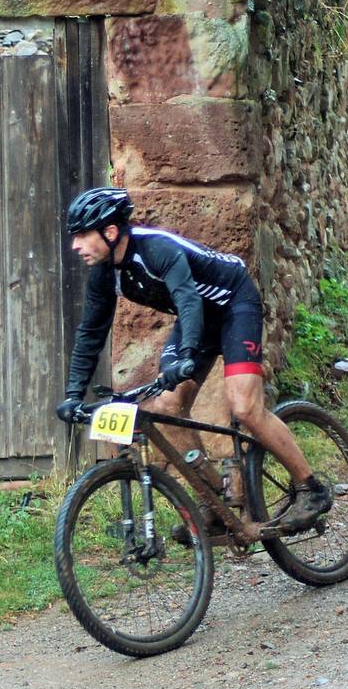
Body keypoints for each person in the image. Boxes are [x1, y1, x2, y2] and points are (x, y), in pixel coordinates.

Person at [55, 187, 332, 534]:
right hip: (196, 320)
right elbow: (90, 333)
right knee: (168, 406)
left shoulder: (155, 247)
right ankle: (215, 500)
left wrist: (185, 356)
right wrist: (73, 395)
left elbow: (187, 297)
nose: (75, 246)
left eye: (81, 235)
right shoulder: (104, 274)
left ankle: (311, 488)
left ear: (110, 232)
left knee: (244, 407)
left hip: (234, 305)